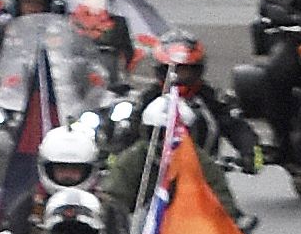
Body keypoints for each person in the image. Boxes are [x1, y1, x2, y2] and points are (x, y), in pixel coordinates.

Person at [99, 36, 263, 224]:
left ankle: (233, 228)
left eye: (185, 71)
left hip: (198, 171)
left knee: (229, 217)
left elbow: (236, 126)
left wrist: (250, 152)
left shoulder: (212, 98)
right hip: (152, 170)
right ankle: (112, 231)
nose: (178, 77)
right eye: (173, 71)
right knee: (112, 200)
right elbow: (126, 132)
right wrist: (112, 155)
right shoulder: (145, 100)